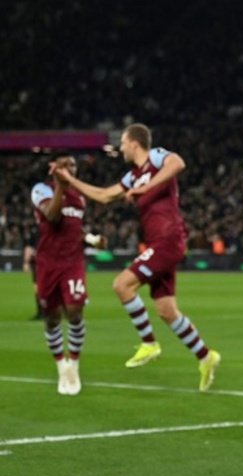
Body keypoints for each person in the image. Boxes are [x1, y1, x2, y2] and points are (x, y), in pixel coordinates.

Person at [55, 123, 221, 390]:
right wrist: (69, 180)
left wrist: (145, 189)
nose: (120, 148)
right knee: (167, 311)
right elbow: (105, 195)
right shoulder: (132, 177)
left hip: (169, 239)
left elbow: (178, 163)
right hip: (159, 242)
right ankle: (206, 356)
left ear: (134, 143)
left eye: (122, 143)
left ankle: (149, 343)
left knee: (122, 285)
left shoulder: (155, 158)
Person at [30, 155, 102, 395]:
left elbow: (74, 228)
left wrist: (92, 240)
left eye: (73, 166)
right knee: (52, 318)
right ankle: (61, 364)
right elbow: (52, 216)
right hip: (48, 263)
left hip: (73, 262)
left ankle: (73, 365)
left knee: (74, 311)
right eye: (66, 165)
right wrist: (60, 185)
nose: (71, 169)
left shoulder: (80, 198)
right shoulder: (41, 190)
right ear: (55, 169)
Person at [21, 229, 43, 320]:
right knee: (37, 288)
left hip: (51, 263)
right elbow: (29, 246)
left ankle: (57, 312)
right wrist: (26, 263)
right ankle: (40, 312)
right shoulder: (35, 231)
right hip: (38, 263)